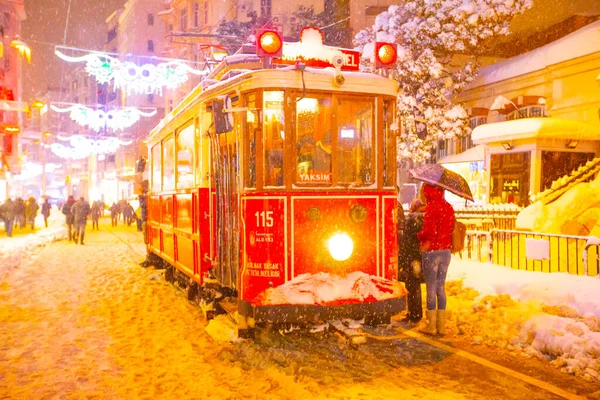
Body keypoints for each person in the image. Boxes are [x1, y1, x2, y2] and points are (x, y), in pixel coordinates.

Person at [417, 184, 455, 336]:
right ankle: (441, 326)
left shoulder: (431, 208)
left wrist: (419, 235)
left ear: (427, 192)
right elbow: (450, 228)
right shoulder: (448, 207)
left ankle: (430, 326)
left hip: (432, 251)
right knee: (441, 288)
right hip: (446, 251)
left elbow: (428, 231)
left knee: (431, 289)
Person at [398, 196, 427, 324]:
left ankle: (414, 313)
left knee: (412, 286)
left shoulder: (411, 220)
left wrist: (402, 260)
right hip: (421, 256)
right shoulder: (426, 218)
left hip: (411, 257)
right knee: (416, 286)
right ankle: (417, 313)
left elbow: (406, 242)